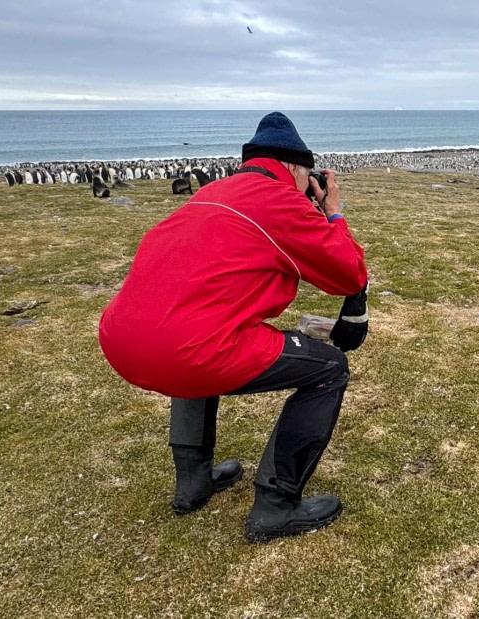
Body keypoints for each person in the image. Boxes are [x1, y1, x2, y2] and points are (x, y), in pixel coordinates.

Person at [98, 112, 369, 543]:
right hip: (186, 350)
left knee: (196, 327)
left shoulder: (213, 191)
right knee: (329, 368)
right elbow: (348, 275)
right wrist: (333, 215)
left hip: (119, 337)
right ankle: (276, 506)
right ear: (297, 169)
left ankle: (193, 482)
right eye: (306, 177)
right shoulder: (281, 199)